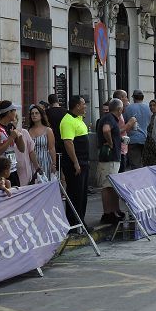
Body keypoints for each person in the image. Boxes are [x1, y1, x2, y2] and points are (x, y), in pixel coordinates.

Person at [59, 95, 90, 225]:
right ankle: (74, 222)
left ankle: (81, 221)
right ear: (77, 106)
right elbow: (68, 143)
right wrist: (76, 162)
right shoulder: (67, 121)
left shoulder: (79, 118)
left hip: (84, 161)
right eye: (83, 104)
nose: (85, 106)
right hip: (74, 163)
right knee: (75, 194)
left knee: (82, 194)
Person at [95, 98, 125, 223]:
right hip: (109, 159)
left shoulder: (110, 118)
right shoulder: (109, 118)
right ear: (119, 109)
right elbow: (106, 130)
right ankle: (108, 213)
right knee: (108, 186)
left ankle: (113, 210)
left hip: (113, 158)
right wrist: (111, 143)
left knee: (112, 186)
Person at [0, 100, 25, 187]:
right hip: (0, 171)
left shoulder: (11, 127)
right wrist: (11, 138)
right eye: (14, 111)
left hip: (12, 168)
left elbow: (22, 149)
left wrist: (18, 136)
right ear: (9, 112)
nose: (16, 114)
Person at [27, 103, 58, 181]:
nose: (34, 115)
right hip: (32, 162)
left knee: (45, 182)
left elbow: (52, 148)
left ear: (41, 115)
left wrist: (54, 164)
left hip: (45, 160)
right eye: (32, 114)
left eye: (36, 113)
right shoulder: (28, 131)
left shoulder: (48, 130)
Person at [123, 90, 152, 168]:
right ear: (143, 97)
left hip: (133, 139)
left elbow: (124, 122)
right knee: (145, 163)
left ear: (133, 98)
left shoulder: (128, 108)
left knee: (135, 164)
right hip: (145, 138)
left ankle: (137, 179)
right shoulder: (148, 108)